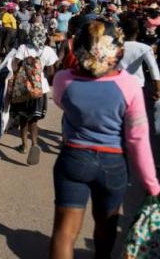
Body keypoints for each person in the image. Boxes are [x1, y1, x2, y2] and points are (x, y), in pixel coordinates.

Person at [50, 19, 160, 258]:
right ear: (118, 51)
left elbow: (59, 102)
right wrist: (151, 184)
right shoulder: (129, 86)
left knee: (64, 232)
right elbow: (137, 140)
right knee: (106, 226)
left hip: (73, 159)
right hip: (113, 165)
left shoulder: (63, 80)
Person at [11, 23, 58, 165]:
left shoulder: (23, 48)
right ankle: (34, 144)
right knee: (34, 120)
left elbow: (14, 65)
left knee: (23, 118)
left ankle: (24, 146)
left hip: (23, 89)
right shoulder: (48, 51)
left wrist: (19, 75)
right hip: (40, 90)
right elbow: (51, 72)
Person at [118, 18, 160, 99]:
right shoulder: (144, 48)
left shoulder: (115, 46)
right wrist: (157, 89)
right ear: (137, 31)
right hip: (137, 85)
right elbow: (153, 68)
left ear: (123, 30)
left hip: (117, 84)